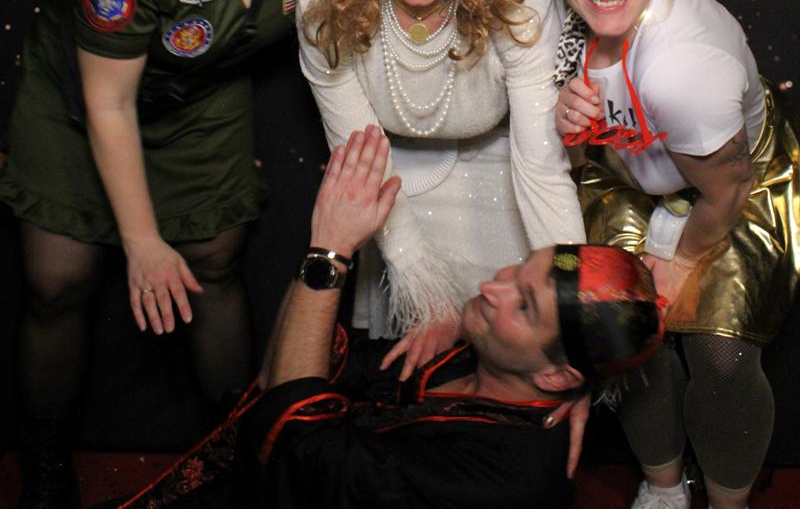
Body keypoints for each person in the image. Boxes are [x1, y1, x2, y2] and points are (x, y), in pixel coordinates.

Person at [0, 0, 345, 509]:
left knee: (214, 263)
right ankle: (44, 461)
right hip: (81, 97)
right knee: (59, 281)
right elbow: (108, 101)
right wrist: (141, 240)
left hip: (201, 87)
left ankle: (238, 452)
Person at [95, 126, 664, 509]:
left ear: (558, 377)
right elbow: (279, 379)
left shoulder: (502, 478)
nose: (492, 288)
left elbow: (292, 433)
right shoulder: (462, 357)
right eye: (517, 269)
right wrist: (325, 247)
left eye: (524, 305)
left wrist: (330, 252)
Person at [297, 0, 586, 377]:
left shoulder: (520, 4)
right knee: (412, 375)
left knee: (520, 361)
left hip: (505, 185)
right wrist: (422, 286)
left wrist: (573, 323)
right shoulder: (322, 6)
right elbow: (362, 164)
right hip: (393, 196)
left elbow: (541, 169)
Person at [546, 0, 800, 509]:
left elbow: (728, 189)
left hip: (731, 183)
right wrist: (568, 126)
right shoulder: (555, 10)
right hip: (631, 172)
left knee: (720, 356)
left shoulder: (684, 69)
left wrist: (677, 259)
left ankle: (728, 501)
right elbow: (574, 156)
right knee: (626, 334)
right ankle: (662, 488)